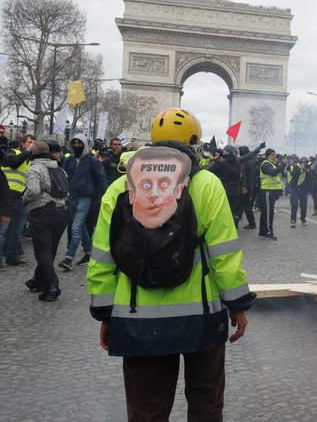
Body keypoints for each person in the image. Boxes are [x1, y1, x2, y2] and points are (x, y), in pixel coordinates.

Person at [86, 108, 255, 420]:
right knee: (206, 406)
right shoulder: (206, 184)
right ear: (195, 141)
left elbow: (102, 260)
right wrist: (238, 304)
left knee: (146, 411)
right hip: (201, 317)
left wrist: (105, 314)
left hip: (136, 319)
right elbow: (225, 254)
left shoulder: (120, 187)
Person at [22, 140, 69, 301]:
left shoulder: (34, 169)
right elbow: (67, 191)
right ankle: (39, 280)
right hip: (61, 213)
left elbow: (33, 190)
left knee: (42, 252)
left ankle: (52, 286)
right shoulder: (60, 169)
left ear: (33, 153)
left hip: (42, 213)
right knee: (50, 251)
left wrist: (24, 199)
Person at [58, 133, 107, 271]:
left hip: (86, 198)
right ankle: (89, 252)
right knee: (82, 228)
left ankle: (69, 258)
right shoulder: (69, 161)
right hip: (71, 198)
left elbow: (101, 181)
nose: (76, 146)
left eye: (79, 143)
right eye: (74, 143)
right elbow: (64, 176)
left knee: (76, 226)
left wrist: (105, 199)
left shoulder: (93, 161)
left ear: (85, 144)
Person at [1, 133, 35, 267]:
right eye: (29, 142)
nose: (31, 145)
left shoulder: (29, 160)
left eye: (34, 143)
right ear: (22, 144)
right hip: (7, 195)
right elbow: (13, 163)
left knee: (17, 230)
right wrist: (27, 151)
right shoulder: (12, 152)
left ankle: (12, 256)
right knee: (3, 229)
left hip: (20, 198)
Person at [209, 145, 244, 227]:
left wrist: (213, 160)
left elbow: (209, 172)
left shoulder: (220, 163)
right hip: (236, 190)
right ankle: (233, 226)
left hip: (224, 190)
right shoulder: (238, 163)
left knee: (223, 210)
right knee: (232, 210)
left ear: (225, 152)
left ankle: (224, 227)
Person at [258, 149, 283, 239]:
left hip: (271, 191)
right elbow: (273, 173)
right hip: (267, 191)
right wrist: (282, 165)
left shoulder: (272, 164)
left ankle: (262, 232)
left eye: (275, 155)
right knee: (269, 213)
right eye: (272, 155)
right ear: (268, 155)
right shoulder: (265, 164)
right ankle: (268, 233)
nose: (274, 156)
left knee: (265, 212)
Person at [288, 157, 311, 227]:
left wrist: (307, 171)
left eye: (305, 163)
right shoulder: (296, 167)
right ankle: (293, 220)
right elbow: (292, 174)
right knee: (294, 205)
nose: (304, 164)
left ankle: (303, 219)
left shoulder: (308, 169)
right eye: (302, 163)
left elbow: (311, 178)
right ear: (300, 162)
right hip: (294, 189)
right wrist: (300, 170)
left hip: (303, 190)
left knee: (303, 206)